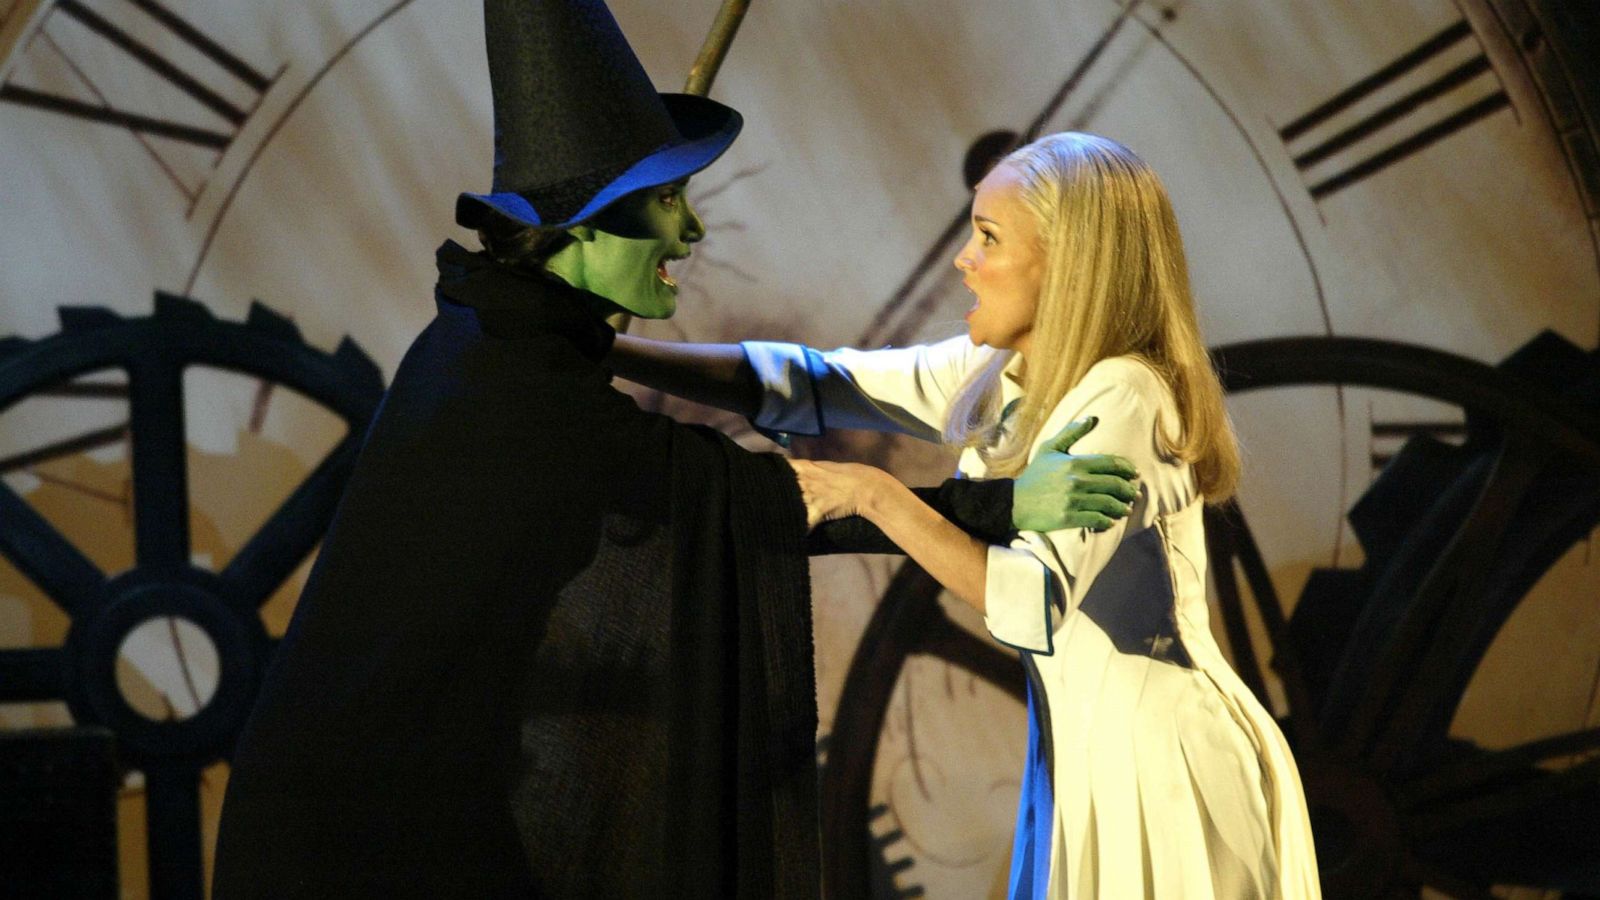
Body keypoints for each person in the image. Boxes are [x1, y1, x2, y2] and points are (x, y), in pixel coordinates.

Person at [211, 3, 1136, 897]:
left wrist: (610, 344)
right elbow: (737, 494)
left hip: (404, 808)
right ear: (580, 229)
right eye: (664, 204)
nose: (691, 231)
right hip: (363, 839)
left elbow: (797, 389)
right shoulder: (520, 386)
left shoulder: (501, 340)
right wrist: (1004, 506)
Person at [610, 132, 1321, 897]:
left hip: (1161, 762)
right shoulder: (1001, 373)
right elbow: (810, 383)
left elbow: (1027, 602)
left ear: (1069, 263)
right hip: (1084, 752)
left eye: (987, 237)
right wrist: (608, 354)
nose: (963, 260)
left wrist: (875, 495)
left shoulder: (1124, 394)